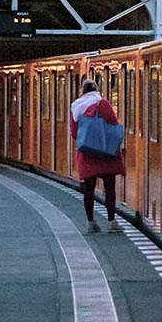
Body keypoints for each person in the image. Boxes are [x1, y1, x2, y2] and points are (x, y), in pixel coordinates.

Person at [69, 79, 125, 233]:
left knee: (88, 189)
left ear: (83, 91)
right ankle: (112, 221)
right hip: (106, 152)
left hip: (87, 153)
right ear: (96, 90)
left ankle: (90, 222)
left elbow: (74, 134)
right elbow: (114, 124)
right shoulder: (104, 104)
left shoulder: (76, 107)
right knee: (109, 187)